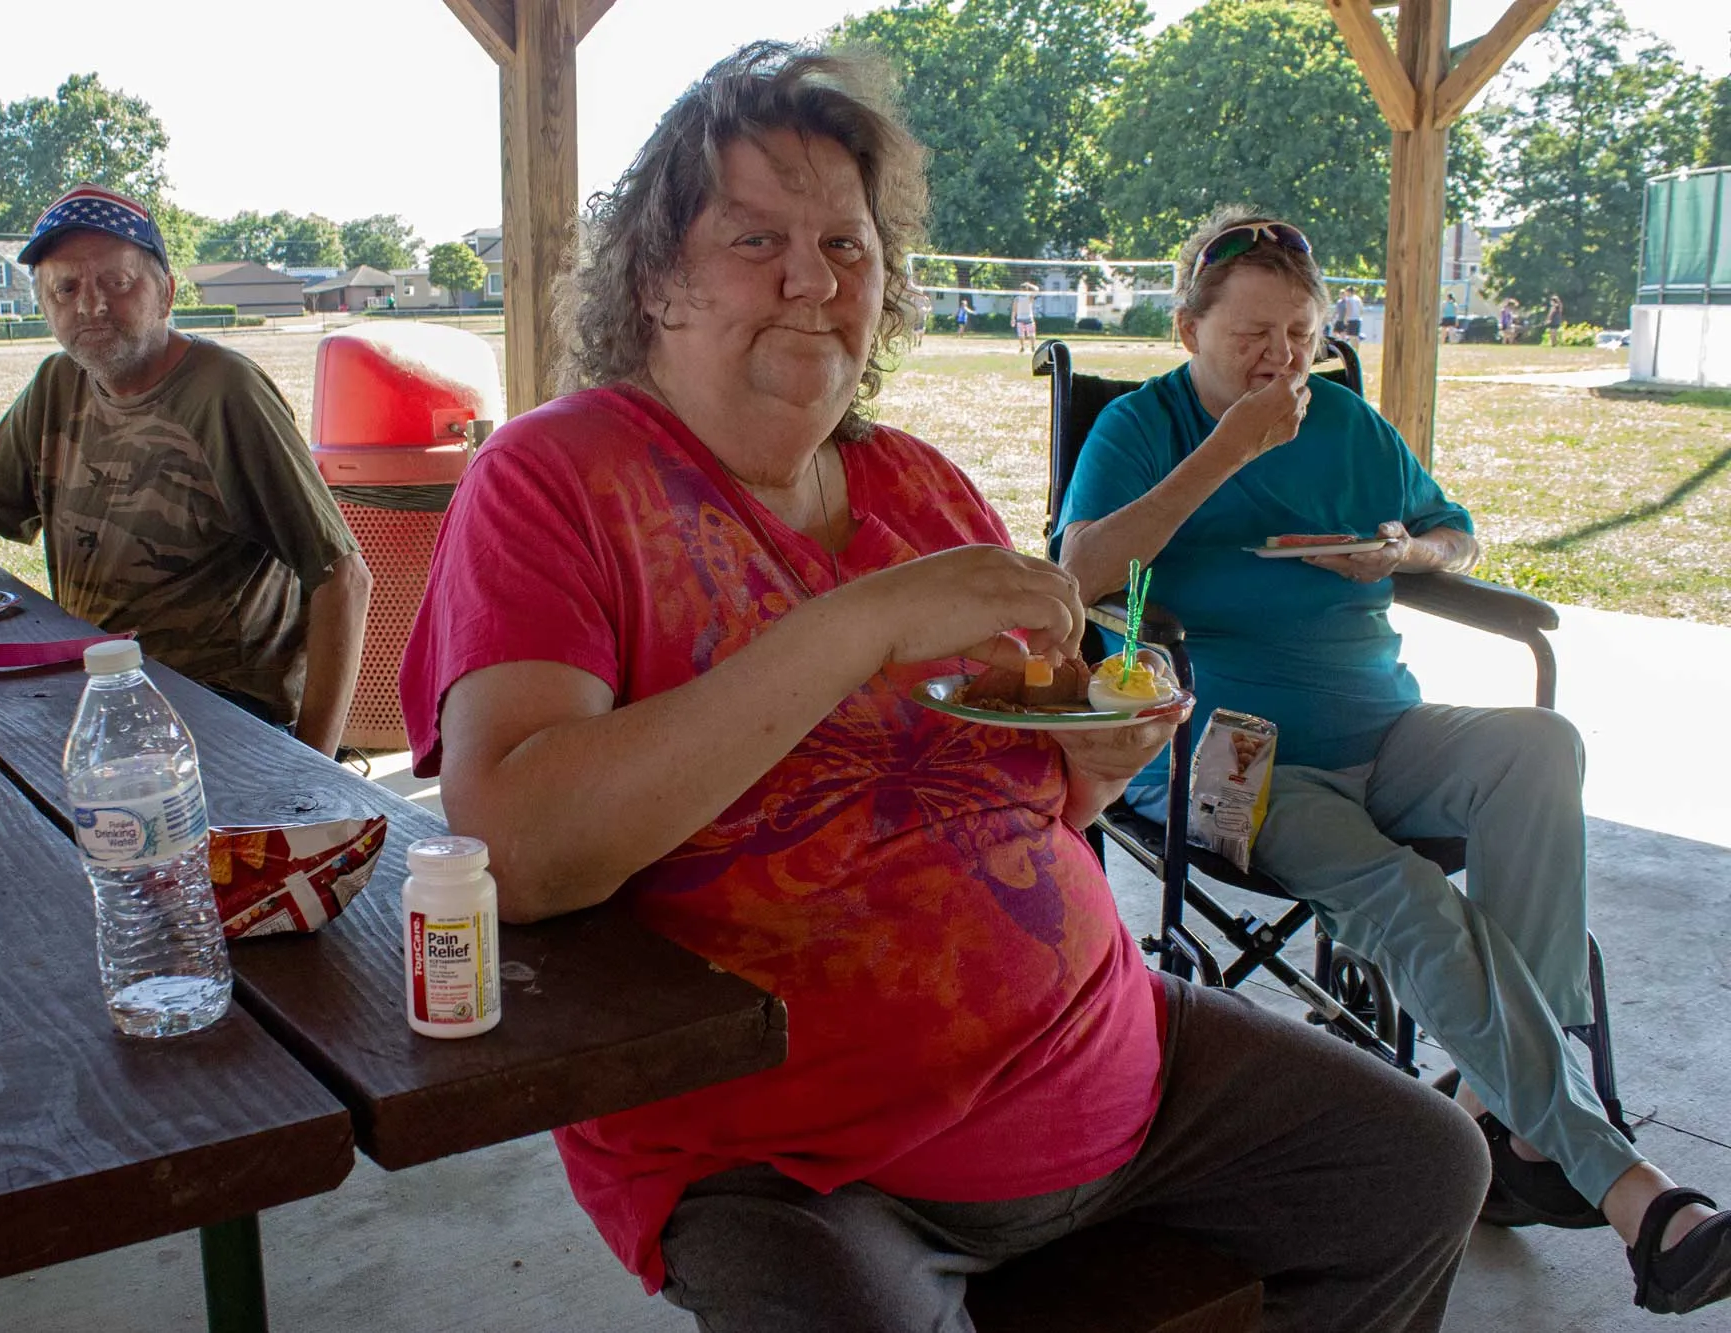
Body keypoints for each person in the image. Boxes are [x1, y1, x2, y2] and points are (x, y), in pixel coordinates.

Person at [400, 45, 1488, 1333]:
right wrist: (859, 623)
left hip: (1105, 1053)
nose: (813, 281)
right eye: (756, 240)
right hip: (797, 1154)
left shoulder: (919, 485)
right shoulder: (554, 477)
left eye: (847, 248)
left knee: (1418, 1168)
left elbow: (1027, 777)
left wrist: (1089, 761)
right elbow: (519, 851)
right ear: (656, 279)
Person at [1058, 203, 1731, 1318]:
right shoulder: (1143, 426)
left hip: (1386, 729)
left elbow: (1449, 527)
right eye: (1248, 336)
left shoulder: (1343, 423)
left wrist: (1399, 553)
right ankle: (1629, 1191)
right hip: (1237, 759)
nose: (1278, 360)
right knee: (1410, 901)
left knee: (1537, 744)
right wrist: (1226, 452)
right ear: (1186, 328)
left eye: (1297, 335)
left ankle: (1505, 1108)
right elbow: (1078, 573)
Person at [0, 183, 373, 757]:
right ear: (45, 307)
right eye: (65, 288)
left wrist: (313, 769)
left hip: (222, 712)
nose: (90, 305)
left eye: (117, 283)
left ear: (166, 293)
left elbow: (343, 576)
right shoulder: (56, 385)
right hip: (101, 694)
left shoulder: (225, 393)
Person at [1011, 281, 1038, 353]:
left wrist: (1013, 318)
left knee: (1022, 334)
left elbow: (1014, 310)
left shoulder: (1023, 297)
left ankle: (1023, 347)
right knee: (1030, 333)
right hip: (1027, 318)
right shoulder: (1028, 297)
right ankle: (1031, 347)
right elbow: (1036, 289)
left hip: (1022, 318)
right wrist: (1030, 285)